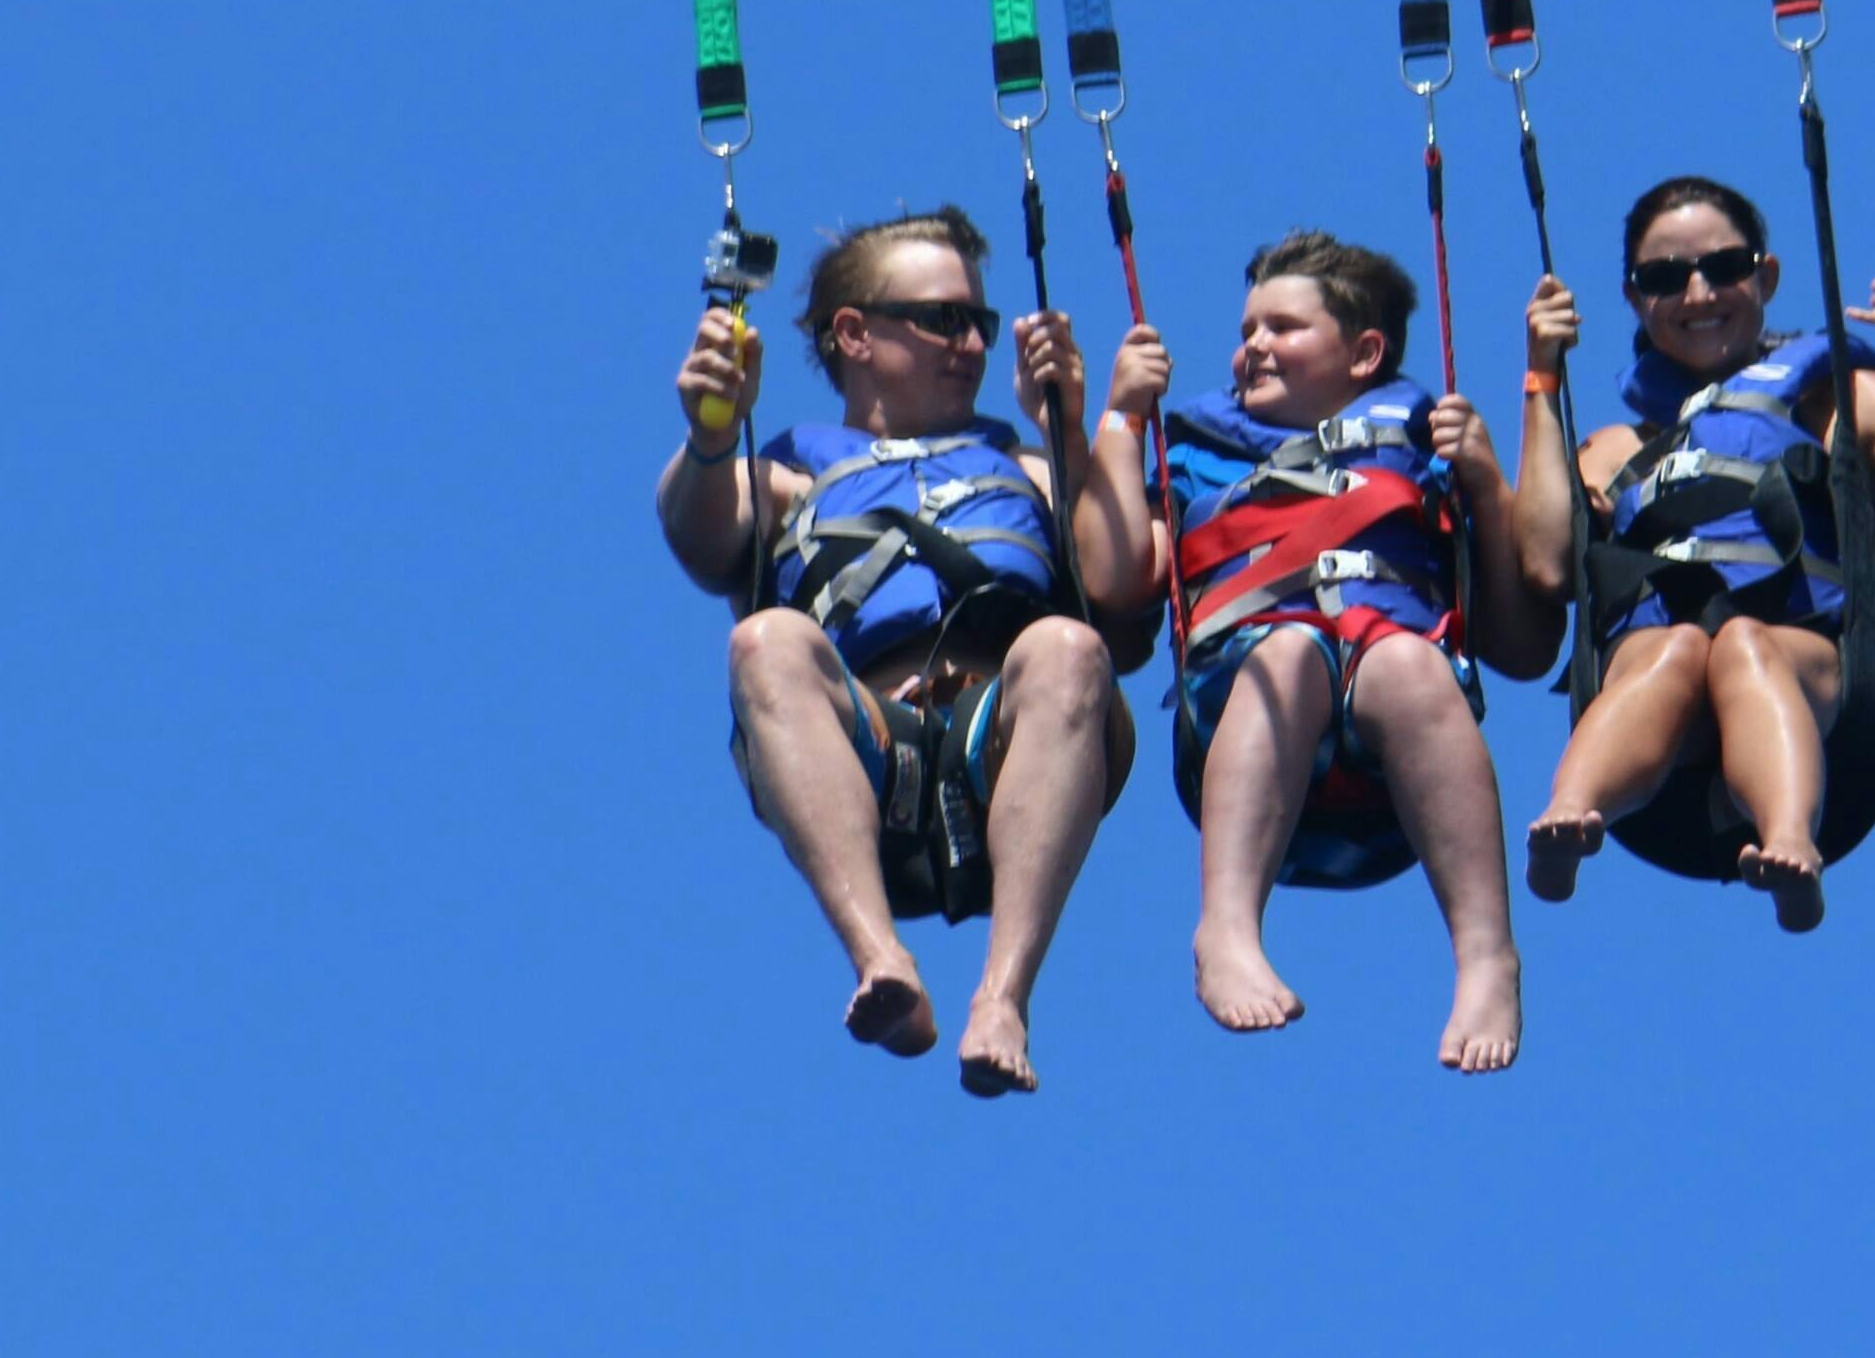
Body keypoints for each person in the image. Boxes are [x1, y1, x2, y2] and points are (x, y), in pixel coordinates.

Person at [659, 205, 1154, 1097]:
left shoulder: (1027, 465)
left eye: (980, 322)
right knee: (764, 639)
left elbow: (1123, 584)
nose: (970, 343)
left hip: (999, 740)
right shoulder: (791, 471)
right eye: (943, 319)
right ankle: (881, 959)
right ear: (856, 333)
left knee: (1071, 648)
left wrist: (1072, 429)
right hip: (874, 753)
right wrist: (707, 431)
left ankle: (1003, 998)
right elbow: (699, 536)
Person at [1513, 176, 1875, 930]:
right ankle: (1569, 815)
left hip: (1810, 673)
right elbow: (1547, 565)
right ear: (1633, 298)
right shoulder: (1617, 449)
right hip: (1663, 725)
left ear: (1767, 275)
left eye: (1723, 267)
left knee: (1740, 645)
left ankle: (1788, 840)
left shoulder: (1834, 403)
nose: (1697, 293)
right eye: (1664, 278)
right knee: (1674, 651)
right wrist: (1541, 375)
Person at [1124, 232, 1561, 1075]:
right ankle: (1225, 927)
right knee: (1289, 651)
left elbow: (1524, 645)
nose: (1251, 345)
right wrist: (1110, 421)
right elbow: (1115, 587)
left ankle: (1486, 956)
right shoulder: (1188, 454)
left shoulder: (1425, 444)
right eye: (1247, 329)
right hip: (1247, 693)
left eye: (1282, 327)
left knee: (1404, 661)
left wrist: (1484, 485)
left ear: (1365, 353)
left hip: (1386, 737)